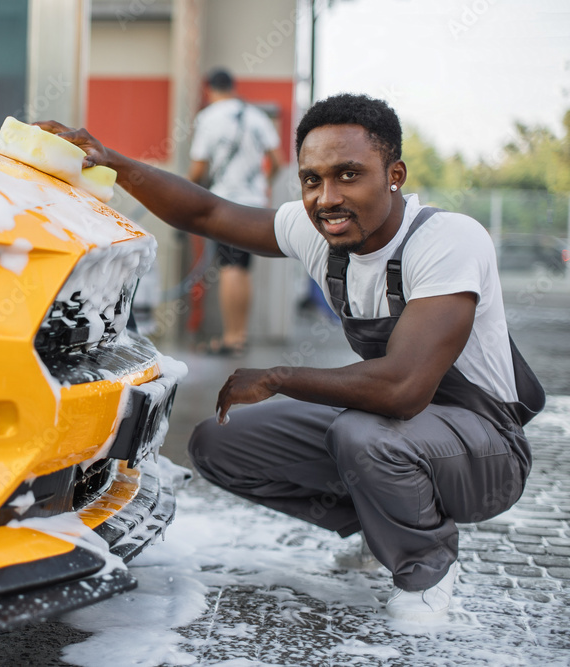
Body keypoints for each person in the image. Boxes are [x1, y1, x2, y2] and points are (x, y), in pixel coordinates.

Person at [37, 93, 545, 622]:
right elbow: (206, 211)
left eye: (349, 175)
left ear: (394, 174)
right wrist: (113, 162)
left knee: (362, 435)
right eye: (312, 180)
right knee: (218, 442)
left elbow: (403, 387)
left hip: (486, 451)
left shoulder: (446, 240)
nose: (327, 198)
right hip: (397, 426)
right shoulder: (322, 231)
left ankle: (426, 567)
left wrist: (280, 376)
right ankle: (386, 528)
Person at [187, 69, 283, 356]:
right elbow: (277, 160)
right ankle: (239, 336)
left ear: (209, 90)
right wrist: (264, 185)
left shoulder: (208, 118)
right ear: (232, 87)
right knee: (242, 267)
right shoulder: (256, 116)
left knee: (229, 267)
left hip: (225, 204)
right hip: (253, 204)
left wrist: (184, 190)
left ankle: (231, 339)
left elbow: (199, 168)